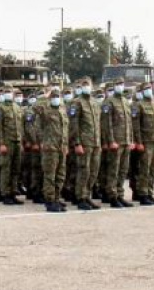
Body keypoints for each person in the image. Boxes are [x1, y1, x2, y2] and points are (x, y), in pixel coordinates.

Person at [69, 77, 102, 210]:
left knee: (93, 171)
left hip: (95, 143)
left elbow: (98, 124)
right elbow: (74, 125)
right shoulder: (76, 103)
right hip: (84, 142)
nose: (86, 87)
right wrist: (77, 143)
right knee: (84, 170)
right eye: (84, 84)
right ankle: (80, 197)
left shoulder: (94, 103)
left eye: (88, 84)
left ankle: (87, 195)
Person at [101, 77, 135, 208]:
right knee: (113, 170)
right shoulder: (109, 102)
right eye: (118, 84)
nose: (120, 86)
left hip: (126, 141)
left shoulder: (125, 102)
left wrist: (131, 140)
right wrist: (111, 141)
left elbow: (129, 123)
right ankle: (112, 196)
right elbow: (107, 123)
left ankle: (120, 194)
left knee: (123, 170)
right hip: (116, 142)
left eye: (122, 83)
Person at [38, 84, 69, 213]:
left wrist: (66, 145)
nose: (56, 98)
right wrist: (45, 97)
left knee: (60, 175)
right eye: (53, 96)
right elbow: (35, 108)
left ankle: (56, 198)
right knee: (50, 175)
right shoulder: (46, 110)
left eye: (58, 96)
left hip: (61, 147)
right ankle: (49, 200)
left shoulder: (62, 110)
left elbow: (65, 130)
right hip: (50, 148)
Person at [133, 82, 154, 205]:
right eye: (146, 88)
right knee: (144, 170)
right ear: (142, 91)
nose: (149, 90)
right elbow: (136, 126)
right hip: (146, 143)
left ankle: (150, 193)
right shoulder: (139, 106)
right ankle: (143, 194)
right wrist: (139, 142)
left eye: (150, 88)